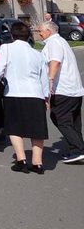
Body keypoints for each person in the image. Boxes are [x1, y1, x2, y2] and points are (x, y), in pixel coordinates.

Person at [0, 20, 49, 173]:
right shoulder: (37, 54)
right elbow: (43, 77)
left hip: (14, 92)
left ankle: (21, 159)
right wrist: (46, 97)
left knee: (14, 127)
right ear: (28, 36)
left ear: (12, 35)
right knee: (37, 129)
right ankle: (37, 162)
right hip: (35, 93)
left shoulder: (6, 48)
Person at [38, 20, 84, 163]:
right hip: (73, 88)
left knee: (59, 118)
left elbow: (55, 61)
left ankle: (78, 149)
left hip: (63, 89)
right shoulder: (61, 41)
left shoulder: (53, 43)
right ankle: (77, 150)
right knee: (73, 120)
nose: (39, 34)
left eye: (40, 31)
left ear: (49, 31)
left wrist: (49, 82)